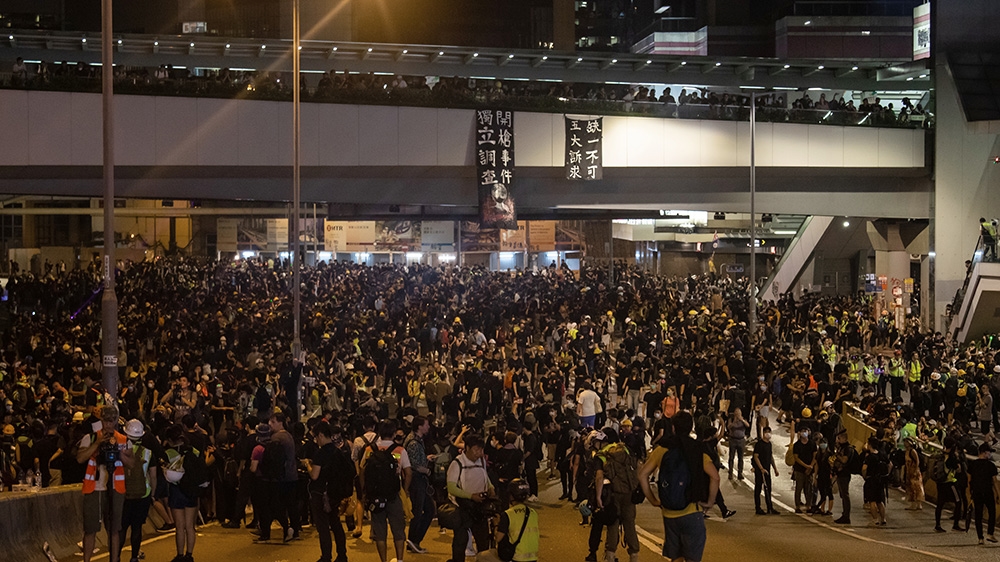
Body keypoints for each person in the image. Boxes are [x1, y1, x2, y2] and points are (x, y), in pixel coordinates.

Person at [637, 411, 720, 562]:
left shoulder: (662, 449)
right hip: (692, 511)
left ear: (673, 427)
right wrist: (709, 502)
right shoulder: (697, 449)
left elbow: (642, 475)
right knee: (692, 557)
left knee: (676, 556)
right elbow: (715, 477)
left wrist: (654, 500)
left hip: (669, 512)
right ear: (691, 427)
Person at [77, 405, 129, 562]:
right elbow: (80, 458)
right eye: (106, 421)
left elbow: (131, 462)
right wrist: (97, 444)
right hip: (95, 488)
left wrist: (118, 452)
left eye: (112, 421)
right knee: (90, 529)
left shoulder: (122, 440)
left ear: (116, 421)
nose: (109, 425)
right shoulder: (91, 438)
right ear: (101, 421)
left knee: (114, 529)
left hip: (115, 488)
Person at [360, 419, 411, 562]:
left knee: (380, 531)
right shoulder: (400, 450)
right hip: (394, 495)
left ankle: (383, 560)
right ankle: (399, 559)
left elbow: (363, 471)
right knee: (398, 530)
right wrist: (405, 490)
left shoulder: (370, 450)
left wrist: (365, 491)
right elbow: (408, 473)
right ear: (394, 433)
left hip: (375, 496)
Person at [307, 421, 354, 562]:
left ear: (321, 435)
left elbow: (314, 475)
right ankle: (342, 555)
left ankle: (326, 556)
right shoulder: (337, 451)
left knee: (323, 527)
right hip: (335, 494)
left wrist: (308, 465)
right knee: (336, 524)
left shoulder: (320, 453)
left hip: (321, 494)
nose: (316, 440)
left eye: (316, 437)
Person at [163, 423, 210, 562]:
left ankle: (180, 555)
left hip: (177, 490)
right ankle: (189, 555)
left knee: (180, 527)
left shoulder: (169, 453)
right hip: (191, 491)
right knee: (190, 526)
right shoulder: (193, 451)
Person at [445, 434, 495, 562]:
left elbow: (485, 475)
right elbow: (451, 488)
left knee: (483, 542)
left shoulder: (481, 461)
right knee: (460, 542)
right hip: (463, 508)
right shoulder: (457, 464)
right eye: (476, 449)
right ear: (466, 448)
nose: (479, 453)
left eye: (481, 450)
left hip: (480, 508)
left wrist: (490, 487)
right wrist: (471, 496)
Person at [594, 427, 640, 562]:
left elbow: (599, 476)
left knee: (613, 524)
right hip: (629, 493)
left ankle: (610, 555)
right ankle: (634, 556)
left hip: (612, 495)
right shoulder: (625, 449)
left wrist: (598, 496)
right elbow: (636, 466)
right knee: (629, 524)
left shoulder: (602, 454)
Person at [120, 420, 156, 562]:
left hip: (123, 493)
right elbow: (153, 475)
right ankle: (134, 557)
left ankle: (116, 556)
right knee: (137, 528)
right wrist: (152, 494)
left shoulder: (121, 450)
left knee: (121, 528)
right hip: (143, 493)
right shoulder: (148, 452)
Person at [404, 416, 437, 554]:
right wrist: (427, 470)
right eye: (426, 425)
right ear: (419, 426)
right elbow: (414, 464)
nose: (428, 427)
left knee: (426, 509)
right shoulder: (413, 442)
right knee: (419, 511)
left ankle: (414, 540)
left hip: (418, 480)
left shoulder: (416, 441)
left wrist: (426, 458)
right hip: (417, 480)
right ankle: (413, 540)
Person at [495, 479, 539, 562]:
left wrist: (496, 524)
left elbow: (498, 538)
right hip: (533, 558)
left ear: (511, 496)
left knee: (483, 556)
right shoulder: (533, 513)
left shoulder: (508, 514)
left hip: (516, 558)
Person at [968, 442, 998, 545]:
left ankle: (980, 537)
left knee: (978, 515)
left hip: (976, 492)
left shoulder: (973, 464)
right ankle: (990, 533)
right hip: (987, 492)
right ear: (985, 453)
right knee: (992, 512)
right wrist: (998, 494)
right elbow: (994, 482)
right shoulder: (991, 466)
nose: (990, 455)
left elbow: (970, 480)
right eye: (989, 452)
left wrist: (970, 492)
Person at [861, 437, 889, 527]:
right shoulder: (882, 455)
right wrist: (886, 474)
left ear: (870, 445)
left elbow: (864, 468)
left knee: (872, 501)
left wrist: (864, 476)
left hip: (871, 480)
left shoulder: (869, 457)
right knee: (880, 501)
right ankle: (883, 519)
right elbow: (890, 464)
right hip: (880, 480)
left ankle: (875, 519)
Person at [752, 427, 779, 515]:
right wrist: (761, 468)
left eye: (769, 432)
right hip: (760, 470)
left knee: (768, 489)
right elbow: (756, 456)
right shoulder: (759, 444)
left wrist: (775, 468)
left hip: (767, 469)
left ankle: (769, 507)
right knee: (758, 488)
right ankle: (758, 508)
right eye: (766, 432)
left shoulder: (769, 444)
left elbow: (770, 457)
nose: (768, 434)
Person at [791, 426, 817, 513]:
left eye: (806, 431)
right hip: (799, 469)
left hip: (810, 469)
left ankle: (808, 505)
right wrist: (806, 466)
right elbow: (796, 458)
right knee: (799, 487)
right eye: (802, 431)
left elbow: (815, 456)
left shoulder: (812, 444)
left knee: (809, 488)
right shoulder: (797, 445)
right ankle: (798, 506)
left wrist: (811, 466)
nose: (804, 433)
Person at [832, 430, 855, 524]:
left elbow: (844, 460)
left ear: (844, 439)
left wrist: (837, 455)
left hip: (844, 474)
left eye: (839, 438)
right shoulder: (842, 447)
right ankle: (844, 514)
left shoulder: (847, 448)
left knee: (845, 495)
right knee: (843, 495)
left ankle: (846, 516)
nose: (838, 440)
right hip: (840, 473)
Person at [902, 438, 924, 511]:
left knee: (916, 488)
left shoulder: (912, 451)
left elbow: (917, 461)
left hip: (914, 472)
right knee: (912, 488)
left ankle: (916, 504)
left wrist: (915, 470)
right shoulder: (907, 451)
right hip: (909, 471)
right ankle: (916, 504)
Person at [726, 408, 748, 480]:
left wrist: (742, 420)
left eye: (739, 413)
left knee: (740, 458)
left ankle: (740, 473)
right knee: (731, 457)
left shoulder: (743, 419)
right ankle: (730, 472)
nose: (738, 414)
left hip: (741, 440)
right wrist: (734, 421)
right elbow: (729, 427)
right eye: (737, 413)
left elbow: (748, 425)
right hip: (733, 440)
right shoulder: (731, 419)